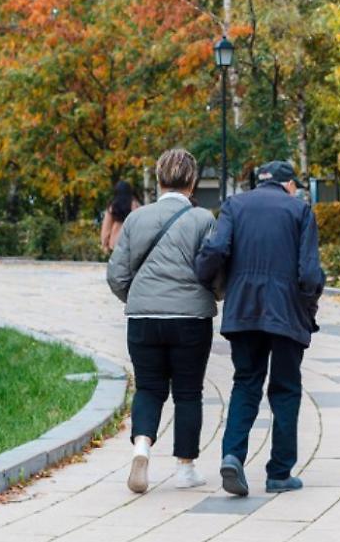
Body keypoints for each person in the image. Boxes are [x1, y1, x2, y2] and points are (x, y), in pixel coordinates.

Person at [196, 160, 324, 496]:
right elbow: (310, 273)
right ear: (289, 185)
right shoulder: (299, 211)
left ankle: (232, 455)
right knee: (285, 389)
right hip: (286, 314)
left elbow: (216, 249)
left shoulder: (235, 205)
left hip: (244, 311)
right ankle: (279, 473)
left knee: (245, 384)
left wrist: (204, 279)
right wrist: (308, 304)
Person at [107, 149, 219, 494]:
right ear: (193, 181)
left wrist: (137, 298)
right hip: (190, 319)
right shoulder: (203, 219)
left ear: (158, 180)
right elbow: (214, 269)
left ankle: (142, 446)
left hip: (143, 319)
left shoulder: (137, 220)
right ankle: (185, 469)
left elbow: (116, 274)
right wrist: (212, 294)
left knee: (149, 388)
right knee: (188, 393)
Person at [101, 181, 141, 253]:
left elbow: (106, 228)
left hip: (115, 244)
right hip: (133, 244)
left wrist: (105, 244)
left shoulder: (112, 206)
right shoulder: (136, 205)